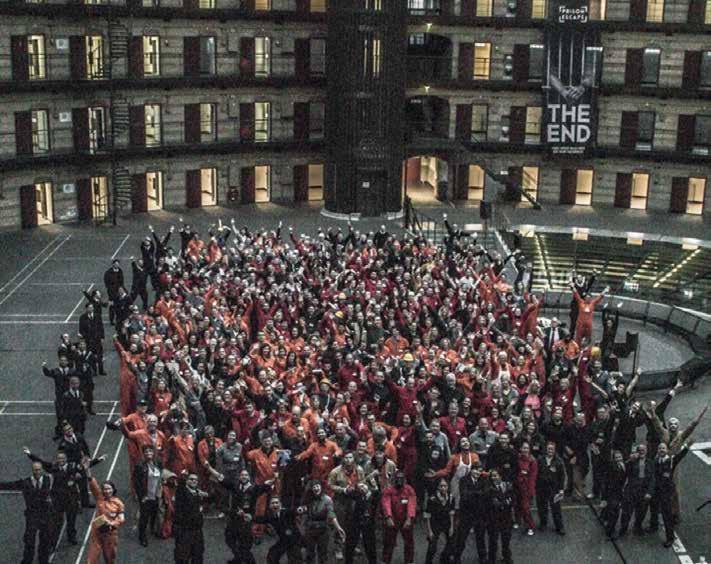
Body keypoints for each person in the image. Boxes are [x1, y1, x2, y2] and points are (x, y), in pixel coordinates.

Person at [23, 446, 106, 547]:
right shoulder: (53, 467)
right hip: (58, 500)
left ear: (66, 459)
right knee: (56, 523)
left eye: (63, 458)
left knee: (71, 521)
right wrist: (29, 454)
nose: (61, 460)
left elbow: (86, 465)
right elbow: (41, 462)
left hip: (71, 499)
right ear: (56, 459)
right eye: (59, 458)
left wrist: (99, 459)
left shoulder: (73, 466)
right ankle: (53, 543)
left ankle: (71, 537)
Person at [0, 460, 54, 564]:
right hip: (32, 516)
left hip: (45, 515)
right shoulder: (26, 482)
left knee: (45, 540)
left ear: (42, 470)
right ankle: (27, 560)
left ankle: (43, 560)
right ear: (32, 471)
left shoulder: (49, 480)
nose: (37, 472)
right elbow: (9, 485)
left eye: (38, 470)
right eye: (35, 470)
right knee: (29, 541)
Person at [650, 441, 692, 548]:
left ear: (667, 450)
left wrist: (687, 447)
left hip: (666, 492)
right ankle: (653, 527)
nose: (661, 450)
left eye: (663, 448)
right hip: (656, 490)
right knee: (653, 510)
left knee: (666, 515)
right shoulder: (655, 461)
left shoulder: (671, 461)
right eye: (660, 448)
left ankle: (670, 538)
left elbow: (680, 455)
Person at [84, 463, 125, 564]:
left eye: (109, 488)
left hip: (110, 534)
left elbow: (121, 518)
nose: (107, 491)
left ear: (113, 489)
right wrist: (87, 470)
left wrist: (112, 523)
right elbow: (92, 483)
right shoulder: (99, 498)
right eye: (105, 489)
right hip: (97, 531)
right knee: (92, 559)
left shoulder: (118, 503)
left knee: (109, 558)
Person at [301, 480, 346, 564]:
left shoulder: (327, 499)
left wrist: (338, 527)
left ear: (321, 487)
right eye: (314, 487)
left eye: (317, 486)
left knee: (323, 553)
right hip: (310, 529)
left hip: (323, 529)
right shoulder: (308, 499)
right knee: (310, 554)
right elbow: (304, 514)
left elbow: (331, 514)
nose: (316, 488)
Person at [254, 496, 308, 563]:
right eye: (273, 503)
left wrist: (300, 509)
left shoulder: (286, 512)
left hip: (294, 540)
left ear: (280, 504)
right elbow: (261, 519)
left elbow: (294, 511)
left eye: (276, 503)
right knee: (272, 555)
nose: (275, 505)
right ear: (270, 506)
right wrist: (250, 517)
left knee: (295, 559)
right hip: (284, 541)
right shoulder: (271, 516)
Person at [380, 470, 417, 564]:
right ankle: (385, 561)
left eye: (401, 478)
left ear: (404, 480)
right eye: (397, 478)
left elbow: (412, 504)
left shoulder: (409, 489)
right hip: (393, 519)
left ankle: (409, 561)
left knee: (409, 542)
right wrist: (388, 517)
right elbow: (386, 503)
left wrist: (409, 518)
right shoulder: (388, 490)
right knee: (389, 542)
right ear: (394, 479)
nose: (399, 480)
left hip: (406, 519)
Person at [132, 445, 164, 547]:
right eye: (146, 451)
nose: (148, 453)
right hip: (146, 496)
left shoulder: (158, 463)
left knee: (154, 514)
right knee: (144, 517)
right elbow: (136, 482)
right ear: (143, 453)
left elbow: (161, 476)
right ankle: (142, 536)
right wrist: (141, 496)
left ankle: (152, 529)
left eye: (150, 451)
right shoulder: (140, 466)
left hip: (156, 494)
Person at [173, 472, 207, 564]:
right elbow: (180, 486)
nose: (193, 481)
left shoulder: (198, 493)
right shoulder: (182, 492)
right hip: (185, 531)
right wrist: (183, 476)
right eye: (191, 479)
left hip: (197, 531)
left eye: (196, 480)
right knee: (182, 557)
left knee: (198, 555)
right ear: (186, 481)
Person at [536, 441, 565, 535]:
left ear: (555, 450)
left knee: (556, 508)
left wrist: (561, 489)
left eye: (552, 449)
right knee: (542, 507)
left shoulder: (559, 461)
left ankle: (559, 526)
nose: (550, 451)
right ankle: (543, 524)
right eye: (548, 449)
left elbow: (562, 476)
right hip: (541, 487)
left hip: (554, 488)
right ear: (546, 449)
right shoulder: (540, 459)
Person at [423, 478, 454, 564]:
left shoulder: (451, 497)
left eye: (445, 486)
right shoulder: (432, 499)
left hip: (446, 522)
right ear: (438, 487)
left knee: (451, 543)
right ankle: (428, 561)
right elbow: (427, 516)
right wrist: (429, 531)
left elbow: (451, 513)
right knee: (432, 546)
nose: (443, 488)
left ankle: (444, 558)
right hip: (435, 523)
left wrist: (451, 527)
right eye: (441, 486)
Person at [42, 356, 74, 439]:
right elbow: (48, 373)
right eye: (62, 361)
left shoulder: (71, 371)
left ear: (67, 362)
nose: (63, 362)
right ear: (59, 362)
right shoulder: (56, 371)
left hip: (69, 397)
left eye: (65, 360)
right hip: (59, 397)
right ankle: (59, 432)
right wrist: (44, 367)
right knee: (60, 415)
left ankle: (70, 431)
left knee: (70, 415)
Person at [488, 468, 515, 564]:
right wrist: (505, 502)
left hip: (506, 517)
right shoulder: (489, 488)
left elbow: (512, 499)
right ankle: (491, 559)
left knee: (506, 539)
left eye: (495, 475)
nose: (494, 478)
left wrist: (504, 503)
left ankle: (507, 557)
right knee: (493, 540)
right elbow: (493, 503)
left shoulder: (507, 486)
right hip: (494, 518)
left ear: (500, 476)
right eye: (492, 476)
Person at [78, 302, 106, 376]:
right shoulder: (82, 317)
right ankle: (94, 371)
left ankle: (101, 370)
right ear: (86, 309)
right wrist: (85, 336)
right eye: (89, 307)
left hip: (97, 339)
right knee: (91, 355)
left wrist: (102, 337)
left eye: (92, 307)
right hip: (89, 340)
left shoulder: (97, 316)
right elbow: (81, 329)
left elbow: (101, 327)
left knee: (100, 355)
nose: (91, 309)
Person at [103, 259, 124, 326]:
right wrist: (110, 289)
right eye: (116, 264)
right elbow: (106, 282)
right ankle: (111, 320)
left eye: (118, 264)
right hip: (111, 293)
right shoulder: (108, 272)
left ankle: (118, 319)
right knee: (112, 307)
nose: (117, 265)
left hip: (118, 292)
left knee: (118, 307)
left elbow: (122, 281)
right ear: (113, 264)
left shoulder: (120, 271)